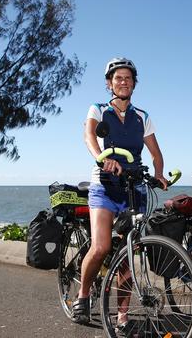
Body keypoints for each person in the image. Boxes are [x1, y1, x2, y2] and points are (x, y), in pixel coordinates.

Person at [72, 57, 168, 325]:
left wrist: (159, 173)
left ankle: (123, 315)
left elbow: (156, 153)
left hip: (133, 189)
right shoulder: (99, 109)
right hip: (104, 186)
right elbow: (89, 136)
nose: (123, 82)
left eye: (128, 78)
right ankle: (82, 294)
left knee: (128, 253)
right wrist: (103, 158)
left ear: (134, 84)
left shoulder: (142, 117)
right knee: (101, 246)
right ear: (109, 83)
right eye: (118, 78)